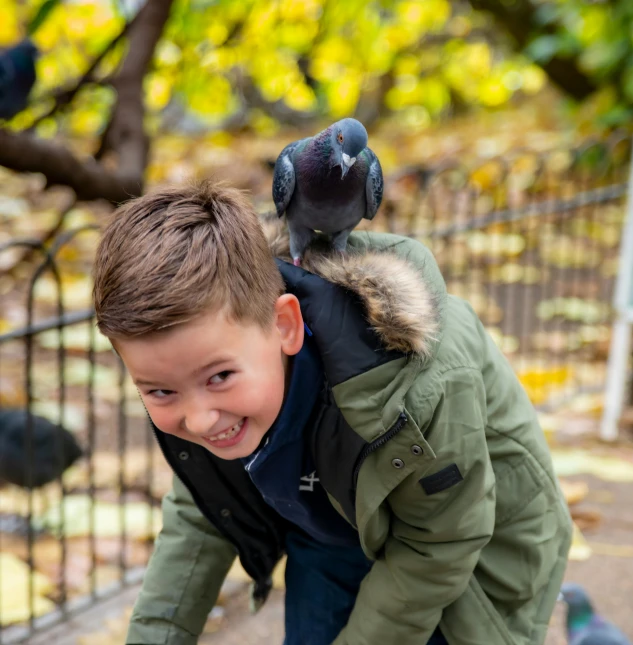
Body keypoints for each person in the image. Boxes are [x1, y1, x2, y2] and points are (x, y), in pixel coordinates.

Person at [92, 180, 573, 645]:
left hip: (462, 543)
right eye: (158, 392)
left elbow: (439, 544)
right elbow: (201, 516)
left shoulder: (416, 388)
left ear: (285, 325)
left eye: (219, 377)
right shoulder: (217, 403)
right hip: (332, 531)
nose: (198, 420)